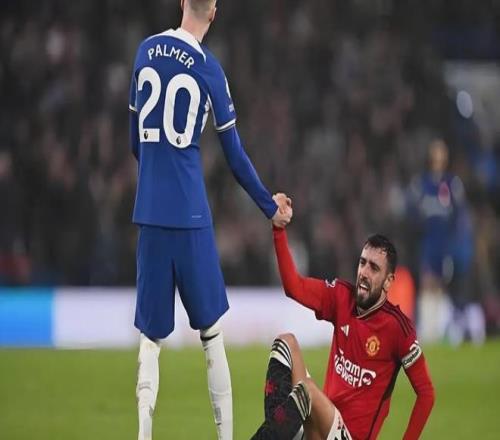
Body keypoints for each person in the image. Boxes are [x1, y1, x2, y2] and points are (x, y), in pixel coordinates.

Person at [128, 2, 291, 439]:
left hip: (150, 213)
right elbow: (234, 156)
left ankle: (143, 434)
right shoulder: (209, 70)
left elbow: (135, 142)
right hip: (191, 215)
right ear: (214, 13)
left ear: (182, 2)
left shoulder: (145, 51)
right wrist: (269, 206)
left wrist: (157, 177)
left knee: (150, 339)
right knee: (212, 335)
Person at [252, 194, 435, 439]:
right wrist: (278, 229)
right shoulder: (341, 297)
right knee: (285, 343)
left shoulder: (397, 328)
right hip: (324, 427)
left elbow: (426, 393)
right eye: (363, 263)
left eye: (374, 268)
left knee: (308, 390)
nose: (364, 272)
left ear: (388, 281)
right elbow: (293, 287)